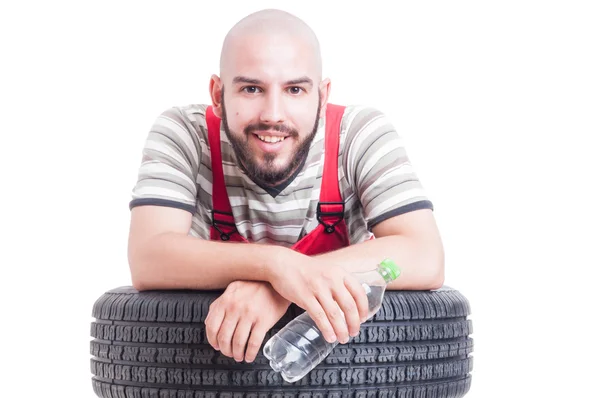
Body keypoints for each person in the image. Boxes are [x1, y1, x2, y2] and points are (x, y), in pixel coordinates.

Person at [127, 9, 444, 364]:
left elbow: (424, 254)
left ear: (322, 97)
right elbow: (148, 257)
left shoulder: (358, 134)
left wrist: (283, 289)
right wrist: (276, 268)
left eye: (295, 89)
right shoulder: (184, 133)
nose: (273, 114)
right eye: (251, 88)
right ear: (218, 94)